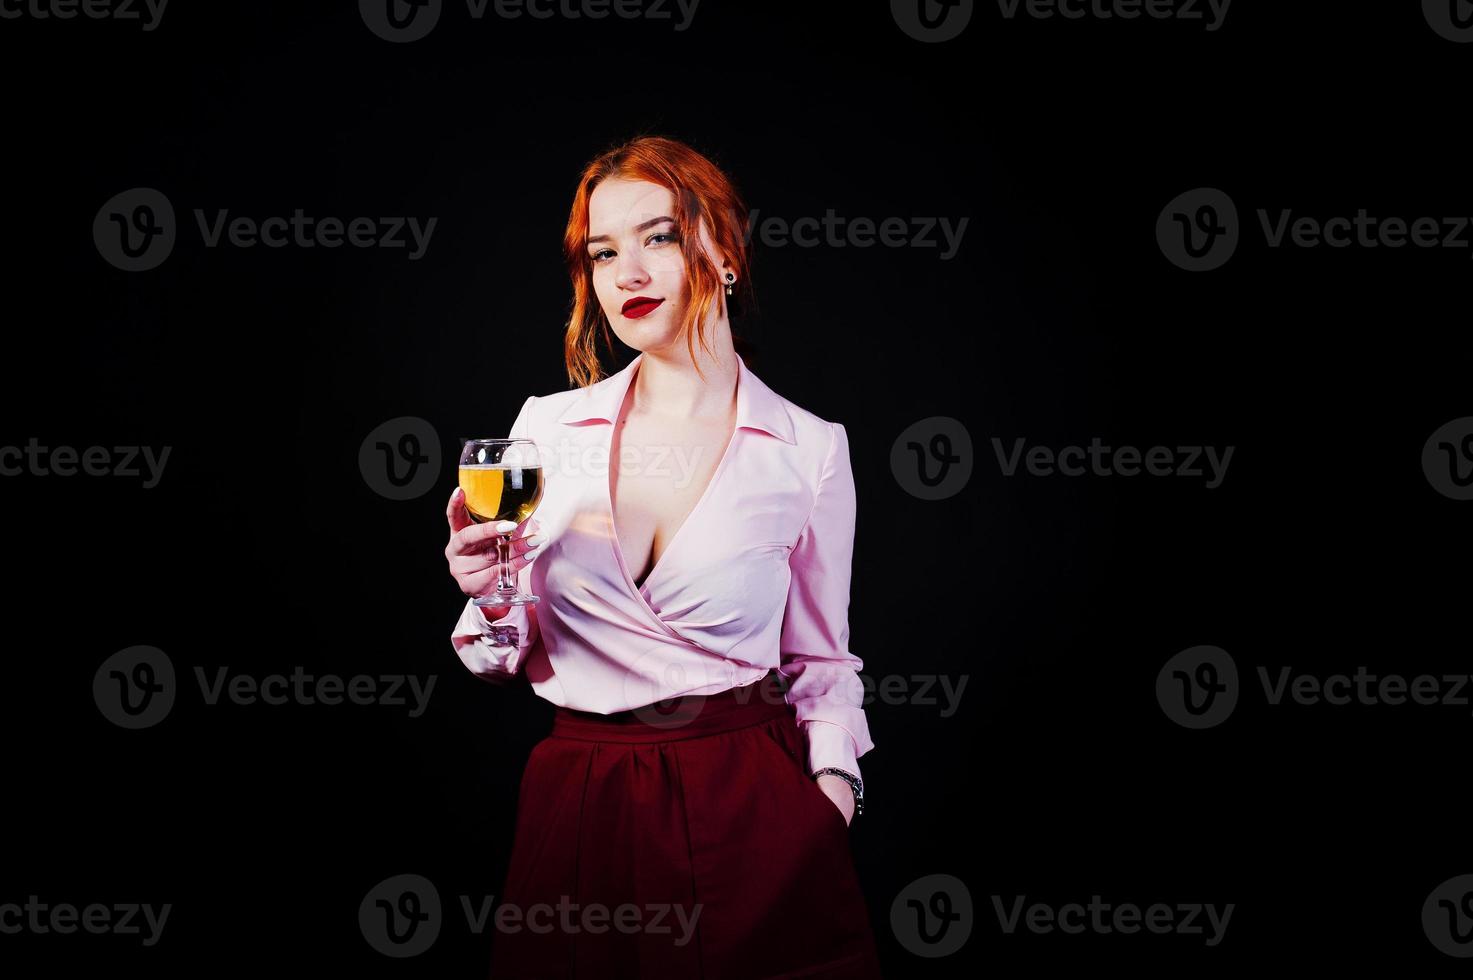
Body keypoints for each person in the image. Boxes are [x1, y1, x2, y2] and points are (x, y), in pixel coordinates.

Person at [444, 135, 881, 978]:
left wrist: (833, 794)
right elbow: (499, 659)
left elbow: (822, 661)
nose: (627, 273)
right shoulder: (544, 429)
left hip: (745, 803)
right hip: (579, 800)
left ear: (721, 250)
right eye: (603, 252)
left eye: (659, 237)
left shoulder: (807, 448)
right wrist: (489, 594)